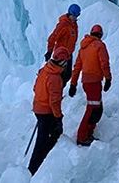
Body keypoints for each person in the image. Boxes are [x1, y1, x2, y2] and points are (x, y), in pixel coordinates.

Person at [28, 46, 70, 176]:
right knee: (44, 140)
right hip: (47, 112)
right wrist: (59, 118)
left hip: (38, 108)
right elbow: (54, 102)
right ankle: (34, 169)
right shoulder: (55, 78)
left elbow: (36, 88)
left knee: (45, 137)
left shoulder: (44, 71)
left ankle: (38, 163)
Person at [69, 24, 112, 146]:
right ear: (100, 34)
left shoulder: (83, 48)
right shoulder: (99, 45)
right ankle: (82, 137)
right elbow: (104, 63)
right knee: (92, 109)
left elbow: (77, 67)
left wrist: (73, 84)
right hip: (94, 83)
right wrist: (108, 78)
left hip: (86, 83)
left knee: (97, 108)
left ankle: (88, 133)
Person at [45, 4, 81, 86]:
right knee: (60, 75)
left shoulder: (74, 25)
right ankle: (55, 93)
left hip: (68, 54)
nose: (75, 18)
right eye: (73, 16)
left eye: (77, 16)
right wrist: (49, 51)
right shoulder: (63, 25)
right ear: (69, 14)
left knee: (67, 75)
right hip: (60, 55)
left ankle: (58, 92)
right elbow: (52, 38)